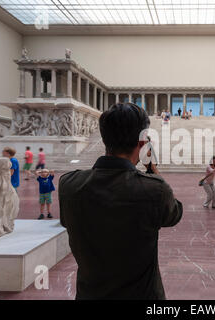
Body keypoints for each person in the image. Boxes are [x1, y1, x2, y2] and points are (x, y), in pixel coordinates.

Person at [59, 103, 183, 300]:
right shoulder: (154, 190)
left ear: (104, 138)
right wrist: (152, 168)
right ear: (143, 143)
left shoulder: (69, 185)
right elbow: (173, 214)